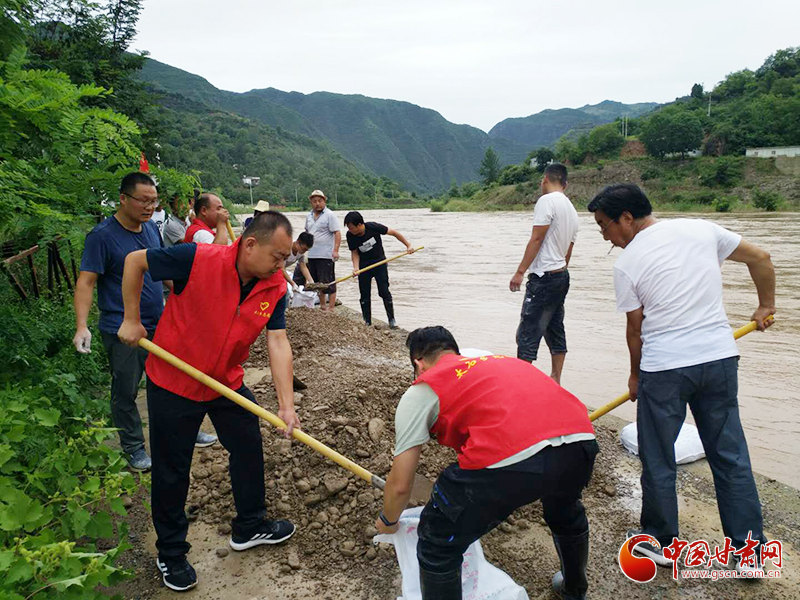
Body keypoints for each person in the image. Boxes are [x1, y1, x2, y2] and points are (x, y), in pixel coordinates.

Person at [587, 183, 775, 575]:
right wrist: (765, 306)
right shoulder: (702, 229)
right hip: (719, 360)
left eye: (604, 226)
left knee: (658, 458)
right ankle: (749, 555)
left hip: (665, 369)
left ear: (626, 218)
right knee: (731, 457)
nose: (604, 236)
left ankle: (660, 543)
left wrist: (635, 376)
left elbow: (635, 332)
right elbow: (761, 257)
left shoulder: (627, 264)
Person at [117, 212, 301, 592]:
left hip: (224, 383)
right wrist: (131, 320)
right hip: (173, 380)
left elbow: (278, 341)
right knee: (172, 469)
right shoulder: (196, 259)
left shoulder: (275, 287)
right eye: (277, 257)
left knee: (249, 446)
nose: (281, 266)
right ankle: (170, 552)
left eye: (286, 259)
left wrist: (286, 406)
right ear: (250, 244)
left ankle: (250, 526)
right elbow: (135, 262)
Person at [375, 326, 598, 600]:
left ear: (418, 363)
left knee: (437, 543)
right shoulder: (495, 360)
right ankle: (575, 590)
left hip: (513, 457)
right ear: (454, 352)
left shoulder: (424, 388)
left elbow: (399, 486)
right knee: (565, 508)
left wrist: (388, 519)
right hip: (580, 440)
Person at [72, 172, 162, 471]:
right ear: (123, 198)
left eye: (153, 201)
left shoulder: (151, 231)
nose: (149, 207)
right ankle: (133, 447)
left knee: (169, 382)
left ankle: (172, 435)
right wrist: (81, 325)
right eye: (143, 201)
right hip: (122, 328)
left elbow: (163, 272)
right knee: (126, 390)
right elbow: (86, 282)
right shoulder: (102, 236)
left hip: (157, 321)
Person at [509, 163, 578, 385]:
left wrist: (520, 272)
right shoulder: (571, 209)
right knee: (554, 326)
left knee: (528, 330)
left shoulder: (546, 201)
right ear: (565, 184)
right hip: (561, 275)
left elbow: (537, 239)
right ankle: (556, 379)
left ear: (545, 179)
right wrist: (561, 270)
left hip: (544, 276)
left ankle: (521, 382)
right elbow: (569, 249)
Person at [344, 211, 414, 328]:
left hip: (379, 263)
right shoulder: (350, 235)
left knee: (384, 291)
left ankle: (392, 320)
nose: (350, 230)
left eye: (351, 228)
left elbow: (394, 233)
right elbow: (355, 253)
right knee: (364, 294)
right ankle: (367, 322)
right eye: (348, 228)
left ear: (360, 224)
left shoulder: (373, 227)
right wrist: (356, 268)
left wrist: (408, 245)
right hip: (364, 266)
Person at [304, 189, 341, 311]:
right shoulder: (308, 216)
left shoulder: (329, 215)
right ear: (311, 203)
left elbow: (337, 233)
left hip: (325, 255)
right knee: (318, 282)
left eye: (319, 201)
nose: (317, 204)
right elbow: (306, 232)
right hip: (312, 254)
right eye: (314, 201)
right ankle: (322, 306)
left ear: (324, 201)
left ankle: (331, 307)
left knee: (328, 282)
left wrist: (335, 250)